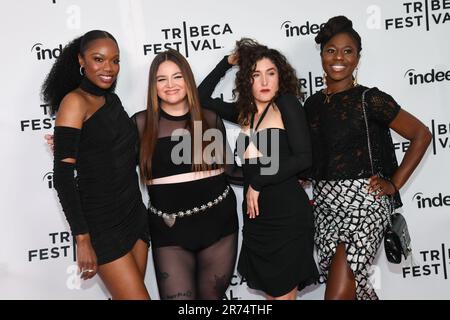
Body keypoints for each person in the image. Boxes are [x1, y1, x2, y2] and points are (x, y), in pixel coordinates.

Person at [304, 16, 432, 300]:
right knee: (356, 288)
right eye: (331, 50)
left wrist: (394, 183)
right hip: (325, 206)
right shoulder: (312, 104)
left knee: (337, 294)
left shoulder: (370, 99)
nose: (339, 57)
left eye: (347, 51)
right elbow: (314, 154)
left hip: (364, 203)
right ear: (322, 56)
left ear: (358, 58)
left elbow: (421, 135)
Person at [199, 38, 319, 300]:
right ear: (246, 80)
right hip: (258, 220)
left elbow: (303, 158)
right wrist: (227, 62)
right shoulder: (243, 113)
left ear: (280, 77)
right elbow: (200, 97)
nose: (264, 82)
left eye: (271, 73)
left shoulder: (286, 104)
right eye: (256, 74)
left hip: (288, 216)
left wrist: (257, 182)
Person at [41, 30, 150, 299]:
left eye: (115, 60)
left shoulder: (111, 100)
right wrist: (83, 238)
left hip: (134, 214)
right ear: (81, 61)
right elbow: (64, 178)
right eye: (98, 59)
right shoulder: (74, 102)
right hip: (101, 225)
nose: (109, 68)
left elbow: (124, 152)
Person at [132, 49, 240, 300]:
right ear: (153, 86)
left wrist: (279, 172)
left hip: (219, 226)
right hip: (168, 231)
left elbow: (231, 170)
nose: (170, 85)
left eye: (177, 77)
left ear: (188, 80)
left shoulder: (209, 119)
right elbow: (113, 166)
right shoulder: (140, 124)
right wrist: (74, 148)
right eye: (162, 79)